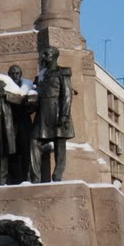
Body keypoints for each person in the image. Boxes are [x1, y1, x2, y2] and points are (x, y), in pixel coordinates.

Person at [34, 47, 74, 182]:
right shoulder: (41, 76)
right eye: (43, 53)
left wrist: (64, 115)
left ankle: (58, 174)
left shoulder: (63, 72)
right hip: (43, 113)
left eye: (47, 53)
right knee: (34, 141)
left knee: (59, 144)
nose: (44, 56)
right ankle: (35, 177)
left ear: (55, 56)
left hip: (57, 111)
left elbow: (67, 95)